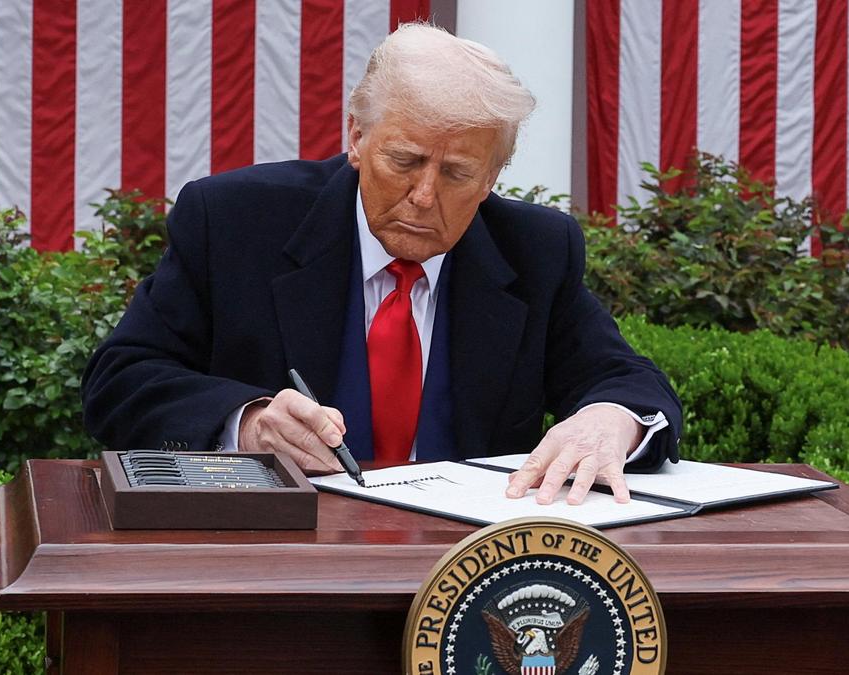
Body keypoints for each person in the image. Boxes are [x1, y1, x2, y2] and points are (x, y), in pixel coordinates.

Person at [81, 23, 681, 506]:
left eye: (457, 173)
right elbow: (121, 380)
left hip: (467, 566)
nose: (424, 196)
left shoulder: (535, 248)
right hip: (278, 559)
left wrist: (610, 420)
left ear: (492, 178)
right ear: (356, 138)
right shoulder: (235, 221)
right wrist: (249, 423)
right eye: (405, 160)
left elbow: (629, 382)